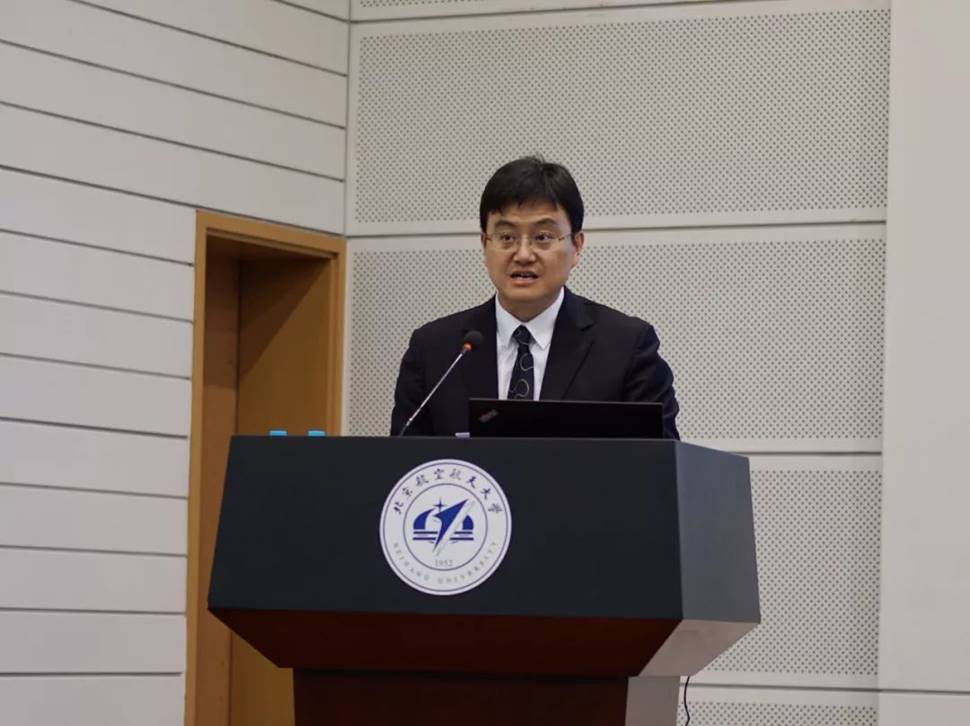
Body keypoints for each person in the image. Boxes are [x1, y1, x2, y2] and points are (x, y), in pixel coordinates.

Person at [390, 156, 679, 438]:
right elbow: (403, 462)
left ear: (577, 246)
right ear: (484, 244)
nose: (523, 254)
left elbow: (659, 462)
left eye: (542, 237)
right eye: (506, 237)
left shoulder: (626, 348)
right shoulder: (435, 351)